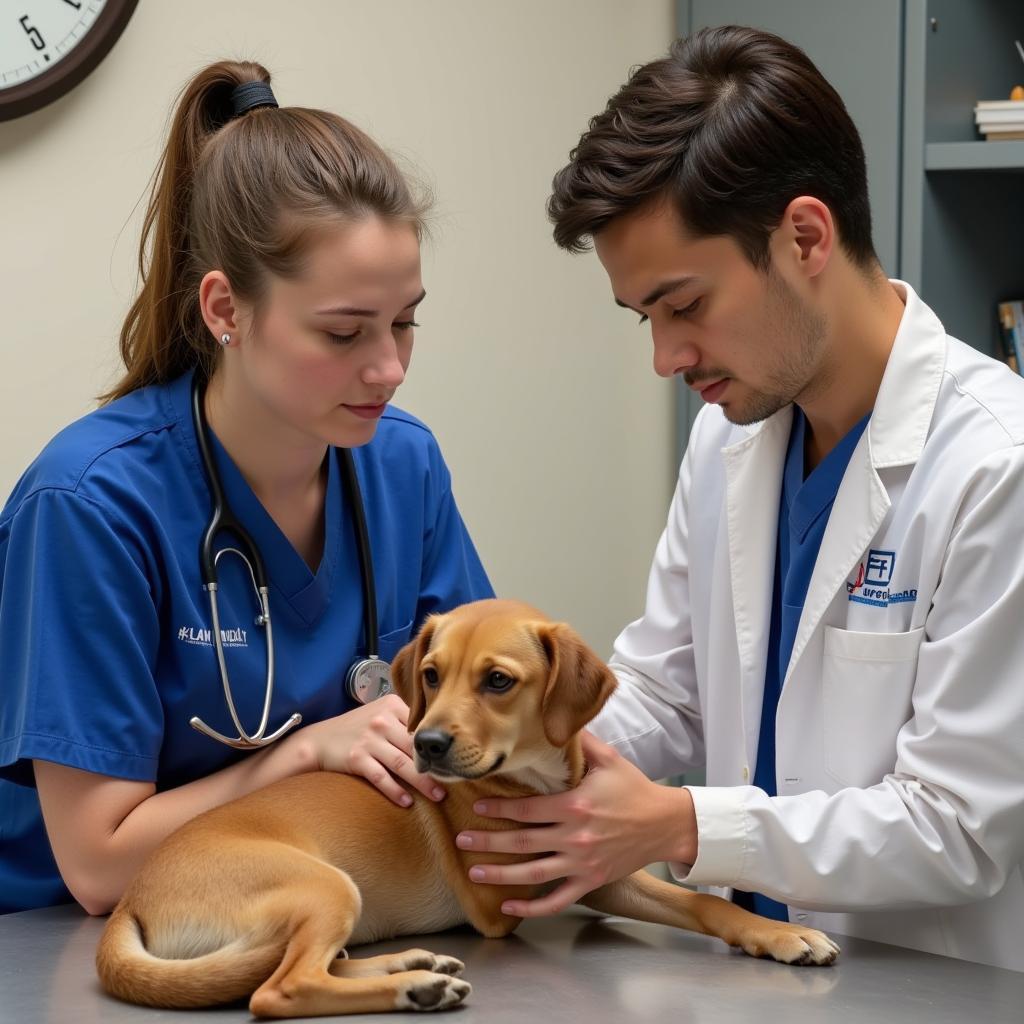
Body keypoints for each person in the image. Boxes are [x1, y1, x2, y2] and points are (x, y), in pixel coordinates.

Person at [454, 26, 1024, 971]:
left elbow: (959, 827)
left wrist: (677, 823)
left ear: (804, 236)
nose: (665, 359)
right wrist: (505, 732)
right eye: (646, 318)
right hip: (745, 972)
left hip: (923, 983)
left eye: (685, 306)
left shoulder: (997, 467)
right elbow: (664, 690)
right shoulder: (732, 435)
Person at [0, 60, 492, 916]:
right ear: (226, 310)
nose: (389, 368)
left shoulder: (401, 465)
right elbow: (100, 867)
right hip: (79, 948)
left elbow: (482, 713)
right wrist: (305, 754)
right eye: (343, 332)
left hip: (302, 906)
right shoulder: (89, 505)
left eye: (405, 321)